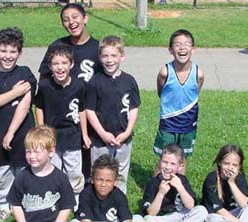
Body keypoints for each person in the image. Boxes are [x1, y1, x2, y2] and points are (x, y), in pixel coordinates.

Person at [0, 27, 37, 222]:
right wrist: (14, 92)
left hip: (22, 134)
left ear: (20, 52)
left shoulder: (25, 73)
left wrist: (11, 133)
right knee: (1, 172)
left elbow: (25, 104)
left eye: (13, 51)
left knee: (23, 169)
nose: (8, 56)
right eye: (3, 51)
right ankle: (3, 205)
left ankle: (24, 202)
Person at [86, 35, 141, 193]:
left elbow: (133, 108)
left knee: (121, 171)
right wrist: (102, 133)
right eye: (105, 56)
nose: (109, 60)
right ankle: (98, 200)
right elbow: (89, 110)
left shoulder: (129, 81)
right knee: (100, 172)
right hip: (100, 140)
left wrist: (128, 131)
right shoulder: (94, 82)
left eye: (113, 55)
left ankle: (118, 198)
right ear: (99, 57)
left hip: (123, 138)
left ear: (122, 56)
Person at [35, 44, 91, 199]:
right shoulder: (45, 86)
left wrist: (85, 135)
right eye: (55, 64)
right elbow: (39, 107)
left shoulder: (79, 85)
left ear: (71, 65)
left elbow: (82, 110)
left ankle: (76, 195)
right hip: (52, 137)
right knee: (54, 168)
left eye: (64, 63)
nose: (60, 68)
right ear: (50, 66)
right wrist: (41, 130)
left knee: (73, 170)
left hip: (72, 135)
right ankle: (55, 196)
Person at [153, 29, 204, 174]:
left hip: (188, 124)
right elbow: (161, 93)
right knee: (165, 159)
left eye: (187, 44)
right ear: (170, 49)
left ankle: (178, 192)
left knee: (181, 160)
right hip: (168, 124)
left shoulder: (198, 74)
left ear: (193, 49)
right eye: (177, 45)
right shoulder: (165, 72)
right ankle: (154, 189)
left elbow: (195, 93)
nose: (182, 48)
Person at [7, 125, 76, 222]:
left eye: (36, 152)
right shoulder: (22, 177)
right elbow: (15, 204)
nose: (32, 156)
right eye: (28, 151)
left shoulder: (60, 178)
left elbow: (66, 206)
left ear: (51, 152)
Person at [142, 144, 208, 222]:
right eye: (165, 162)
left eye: (172, 164)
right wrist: (161, 193)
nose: (167, 167)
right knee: (147, 219)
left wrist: (180, 187)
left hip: (180, 215)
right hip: (162, 218)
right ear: (159, 162)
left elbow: (190, 205)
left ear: (180, 167)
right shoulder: (153, 182)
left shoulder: (182, 180)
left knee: (201, 210)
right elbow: (151, 213)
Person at [38, 3, 102, 82]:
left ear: (85, 18)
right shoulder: (57, 46)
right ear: (63, 24)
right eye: (66, 20)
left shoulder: (99, 48)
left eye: (75, 17)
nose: (71, 22)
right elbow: (44, 78)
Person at [74, 154, 143, 222]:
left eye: (108, 181)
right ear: (92, 179)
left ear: (115, 182)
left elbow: (126, 218)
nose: (103, 184)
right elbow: (85, 220)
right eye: (100, 180)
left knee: (138, 218)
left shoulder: (119, 196)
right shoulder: (85, 194)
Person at [202, 144, 248, 222]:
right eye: (226, 163)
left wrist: (231, 182)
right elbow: (218, 209)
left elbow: (243, 204)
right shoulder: (211, 179)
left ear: (239, 166)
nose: (230, 168)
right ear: (219, 162)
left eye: (234, 165)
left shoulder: (240, 177)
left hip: (235, 213)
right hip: (218, 215)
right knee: (213, 219)